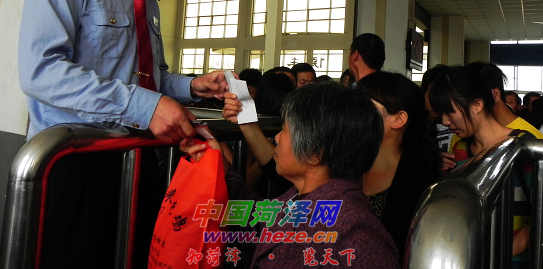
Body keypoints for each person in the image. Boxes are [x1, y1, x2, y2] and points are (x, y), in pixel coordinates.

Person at [18, 0, 230, 269]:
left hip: (136, 158)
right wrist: (146, 107)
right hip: (76, 160)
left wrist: (193, 86)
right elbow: (42, 71)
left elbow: (149, 78)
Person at [182, 82, 401, 269]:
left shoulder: (357, 237)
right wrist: (221, 168)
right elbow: (259, 218)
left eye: (285, 130)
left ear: (314, 152)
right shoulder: (305, 198)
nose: (277, 137)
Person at [429, 66, 538, 268]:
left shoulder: (524, 147)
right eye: (441, 114)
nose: (445, 121)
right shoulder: (459, 150)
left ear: (477, 104)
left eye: (450, 112)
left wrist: (503, 250)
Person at [359, 71, 440, 261]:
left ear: (398, 119)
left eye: (363, 106)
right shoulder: (344, 165)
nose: (352, 113)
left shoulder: (422, 184)